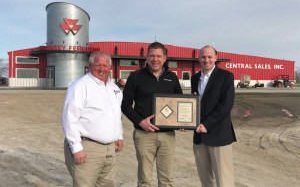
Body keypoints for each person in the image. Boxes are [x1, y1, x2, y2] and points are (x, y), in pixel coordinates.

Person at [121, 42, 183, 187]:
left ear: (165, 58)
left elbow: (181, 102)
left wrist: (185, 122)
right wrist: (140, 121)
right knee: (144, 180)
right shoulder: (136, 76)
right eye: (152, 56)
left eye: (159, 56)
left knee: (166, 179)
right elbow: (125, 104)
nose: (155, 59)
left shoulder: (172, 77)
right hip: (144, 134)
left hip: (167, 135)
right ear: (146, 57)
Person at [62, 51, 123, 187]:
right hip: (88, 148)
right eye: (98, 65)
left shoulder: (114, 88)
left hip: (109, 149)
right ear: (89, 66)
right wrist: (77, 147)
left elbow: (116, 115)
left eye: (105, 65)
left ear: (110, 67)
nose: (102, 69)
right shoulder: (80, 86)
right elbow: (69, 119)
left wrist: (119, 136)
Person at [191, 45, 236, 187]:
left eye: (210, 57)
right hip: (199, 136)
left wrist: (207, 124)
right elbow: (194, 105)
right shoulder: (194, 78)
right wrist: (186, 122)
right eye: (203, 57)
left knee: (224, 181)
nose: (206, 60)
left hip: (219, 135)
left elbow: (226, 105)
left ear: (216, 58)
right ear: (199, 59)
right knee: (205, 180)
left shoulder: (226, 77)